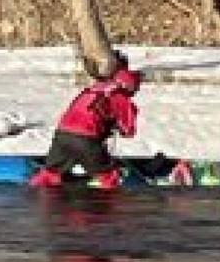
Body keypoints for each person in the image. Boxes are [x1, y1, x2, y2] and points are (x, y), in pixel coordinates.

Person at [29, 54, 143, 190]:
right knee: (110, 178)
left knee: (50, 174)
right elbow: (128, 131)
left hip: (62, 133)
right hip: (86, 139)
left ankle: (35, 193)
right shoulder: (121, 97)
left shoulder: (93, 89)